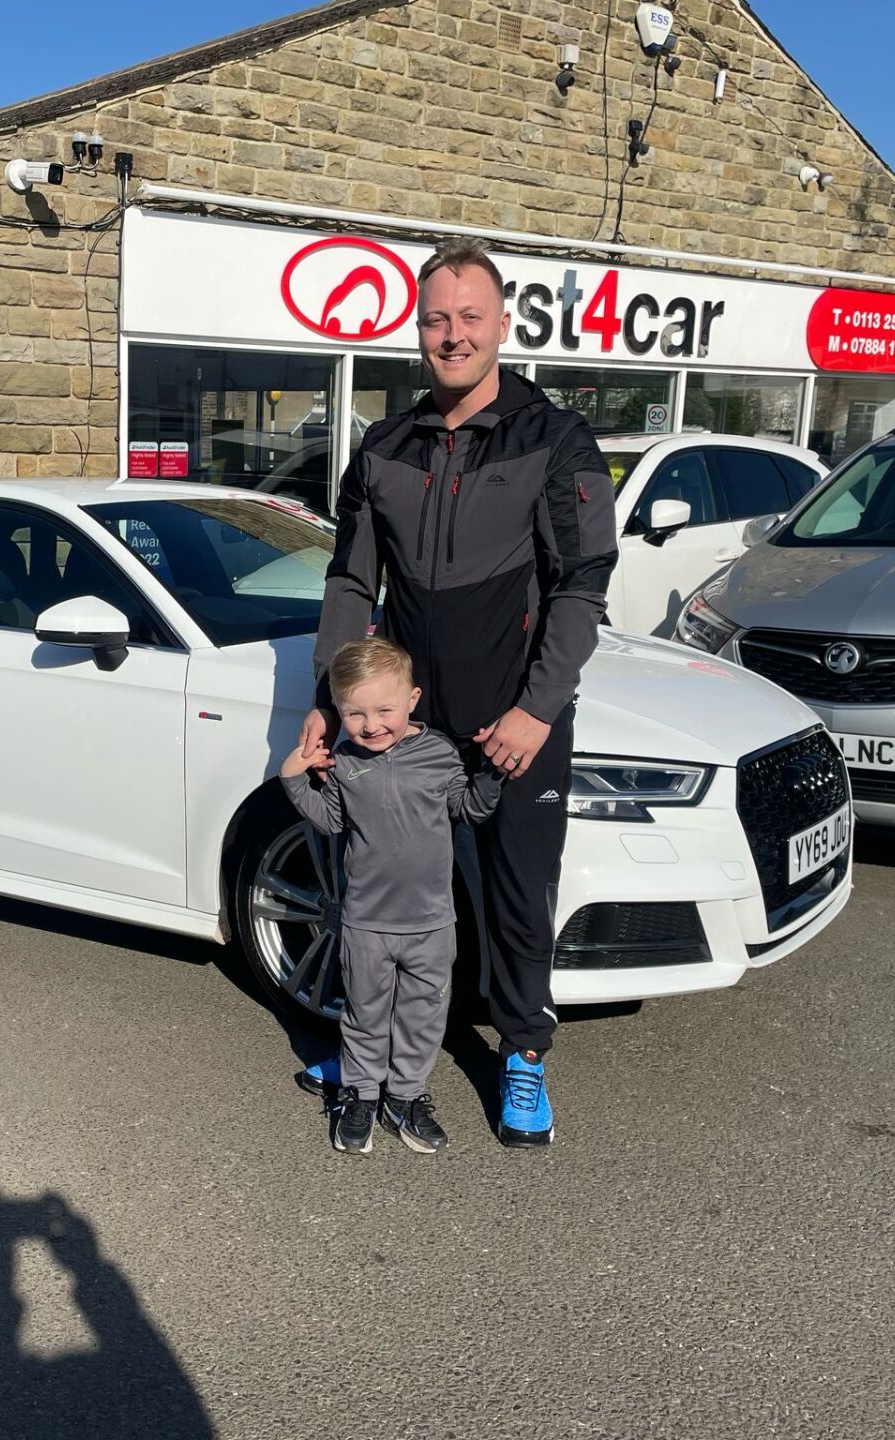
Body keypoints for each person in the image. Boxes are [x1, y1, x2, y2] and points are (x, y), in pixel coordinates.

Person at [296, 238, 620, 1148]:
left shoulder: (553, 438)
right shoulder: (385, 445)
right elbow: (352, 583)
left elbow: (581, 586)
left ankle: (522, 1056)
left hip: (515, 714)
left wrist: (537, 709)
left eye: (469, 318)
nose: (452, 335)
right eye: (436, 318)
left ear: (500, 325)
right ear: (418, 327)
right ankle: (378, 1052)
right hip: (408, 721)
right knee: (390, 888)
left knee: (518, 892)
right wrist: (336, 696)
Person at [280, 637, 502, 1155]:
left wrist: (492, 771)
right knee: (365, 1013)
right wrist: (295, 779)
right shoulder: (343, 760)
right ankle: (358, 1094)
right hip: (365, 923)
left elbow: (468, 808)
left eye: (384, 709)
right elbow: (332, 820)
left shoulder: (438, 753)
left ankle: (405, 1096)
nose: (371, 724)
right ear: (339, 712)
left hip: (430, 923)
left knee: (423, 1014)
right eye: (355, 713)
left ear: (412, 699)